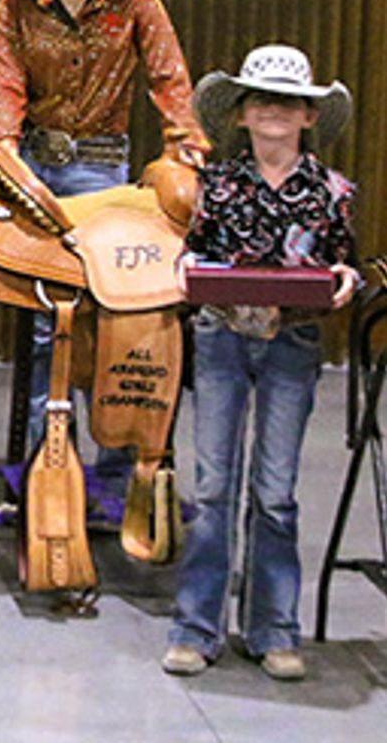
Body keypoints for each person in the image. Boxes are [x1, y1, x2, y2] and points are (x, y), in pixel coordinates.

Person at [0, 0, 207, 458]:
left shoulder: (136, 0)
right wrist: (5, 150)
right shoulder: (15, 7)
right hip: (36, 167)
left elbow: (170, 79)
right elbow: (5, 87)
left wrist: (183, 152)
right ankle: (43, 461)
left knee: (112, 316)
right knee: (43, 323)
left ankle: (113, 464)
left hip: (103, 170)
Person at [162, 44, 358, 682]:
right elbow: (196, 255)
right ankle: (196, 626)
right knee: (214, 485)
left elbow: (341, 260)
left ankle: (274, 626)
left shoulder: (333, 194)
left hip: (292, 347)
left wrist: (347, 277)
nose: (274, 112)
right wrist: (187, 269)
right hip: (221, 338)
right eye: (261, 101)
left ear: (308, 117)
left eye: (289, 103)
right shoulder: (217, 185)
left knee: (275, 491)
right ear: (242, 115)